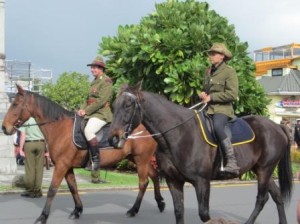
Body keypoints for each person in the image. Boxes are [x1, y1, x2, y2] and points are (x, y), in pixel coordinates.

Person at [199, 43, 240, 175]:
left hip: (222, 110)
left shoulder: (229, 71)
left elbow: (232, 94)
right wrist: (203, 94)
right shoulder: (208, 71)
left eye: (214, 54)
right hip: (207, 109)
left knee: (217, 127)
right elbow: (207, 90)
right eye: (210, 54)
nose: (211, 56)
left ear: (222, 56)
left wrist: (212, 97)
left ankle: (232, 162)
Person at [77, 56, 113, 171]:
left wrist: (86, 111)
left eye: (94, 68)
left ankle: (96, 161)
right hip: (91, 113)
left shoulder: (106, 81)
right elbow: (87, 100)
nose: (92, 70)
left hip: (101, 114)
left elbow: (101, 101)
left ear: (101, 68)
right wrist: (81, 109)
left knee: (89, 130)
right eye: (91, 68)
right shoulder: (94, 82)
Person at [18, 117, 46, 198]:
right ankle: (37, 191)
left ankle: (30, 190)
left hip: (29, 144)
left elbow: (23, 135)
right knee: (39, 169)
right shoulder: (41, 119)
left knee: (30, 168)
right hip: (41, 143)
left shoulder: (26, 120)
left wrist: (20, 149)